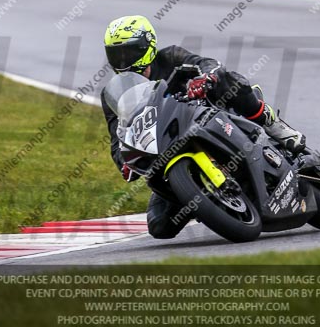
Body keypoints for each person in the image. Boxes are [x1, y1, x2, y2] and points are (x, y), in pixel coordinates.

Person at [101, 14, 306, 239]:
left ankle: (272, 123)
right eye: (116, 55)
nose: (123, 61)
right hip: (165, 147)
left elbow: (208, 64)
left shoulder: (170, 57)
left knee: (227, 80)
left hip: (204, 115)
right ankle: (201, 197)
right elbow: (116, 138)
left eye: (129, 53)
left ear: (147, 46)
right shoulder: (114, 95)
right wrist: (125, 163)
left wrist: (205, 77)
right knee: (159, 227)